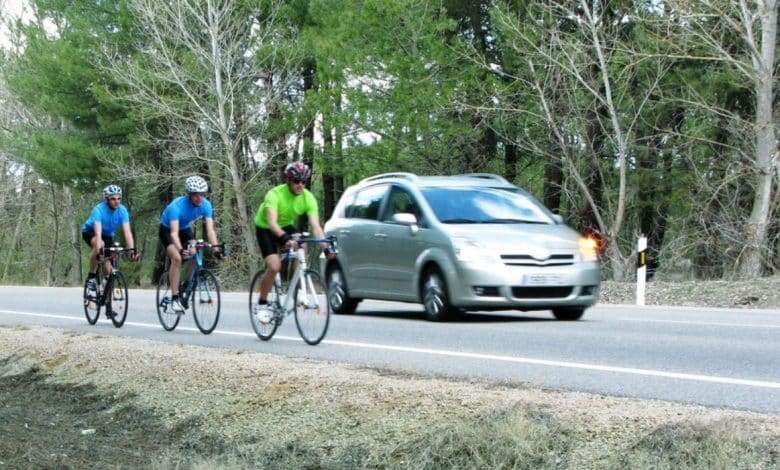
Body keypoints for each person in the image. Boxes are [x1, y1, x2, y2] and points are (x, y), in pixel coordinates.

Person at [253, 162, 332, 308]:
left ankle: (299, 289)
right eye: (297, 181)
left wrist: (326, 248)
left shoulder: (308, 198)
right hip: (266, 228)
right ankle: (262, 302)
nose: (300, 185)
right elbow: (272, 223)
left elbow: (316, 227)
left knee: (302, 244)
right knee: (275, 266)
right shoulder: (274, 194)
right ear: (288, 180)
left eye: (304, 181)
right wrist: (285, 238)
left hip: (285, 225)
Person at [159, 175, 223, 313]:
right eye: (196, 195)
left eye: (203, 194)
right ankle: (175, 297)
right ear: (188, 194)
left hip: (184, 229)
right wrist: (181, 249)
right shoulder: (176, 207)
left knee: (195, 251)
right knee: (176, 258)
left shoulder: (206, 205)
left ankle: (185, 285)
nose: (200, 198)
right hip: (167, 230)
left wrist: (216, 249)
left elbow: (210, 231)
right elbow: (174, 234)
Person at [82, 185, 139, 294]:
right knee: (100, 245)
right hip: (91, 231)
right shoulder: (98, 210)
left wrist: (132, 249)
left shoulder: (122, 210)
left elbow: (127, 233)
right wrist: (99, 251)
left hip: (107, 235)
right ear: (107, 200)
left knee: (109, 271)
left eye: (119, 198)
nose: (116, 201)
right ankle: (91, 276)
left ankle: (108, 306)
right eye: (113, 199)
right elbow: (98, 233)